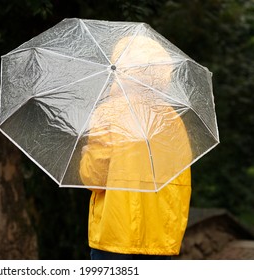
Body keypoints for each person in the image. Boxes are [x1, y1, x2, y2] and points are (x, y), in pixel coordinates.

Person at [79, 35, 192, 260]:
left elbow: (94, 179)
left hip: (115, 235)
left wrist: (86, 157)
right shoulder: (172, 119)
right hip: (160, 235)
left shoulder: (109, 113)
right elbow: (180, 178)